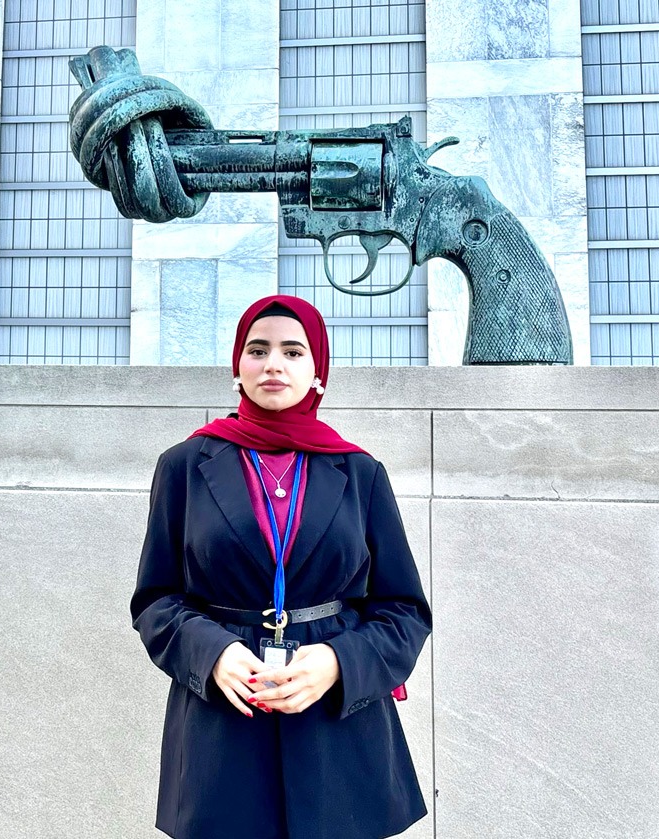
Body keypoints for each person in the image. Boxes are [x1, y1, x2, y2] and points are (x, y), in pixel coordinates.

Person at [130, 294, 432, 839]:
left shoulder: (360, 472)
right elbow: (155, 600)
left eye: (293, 352)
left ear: (317, 371)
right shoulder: (185, 466)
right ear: (237, 367)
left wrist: (339, 662)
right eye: (258, 349)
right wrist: (212, 652)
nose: (273, 364)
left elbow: (405, 610)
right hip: (222, 724)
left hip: (338, 729)